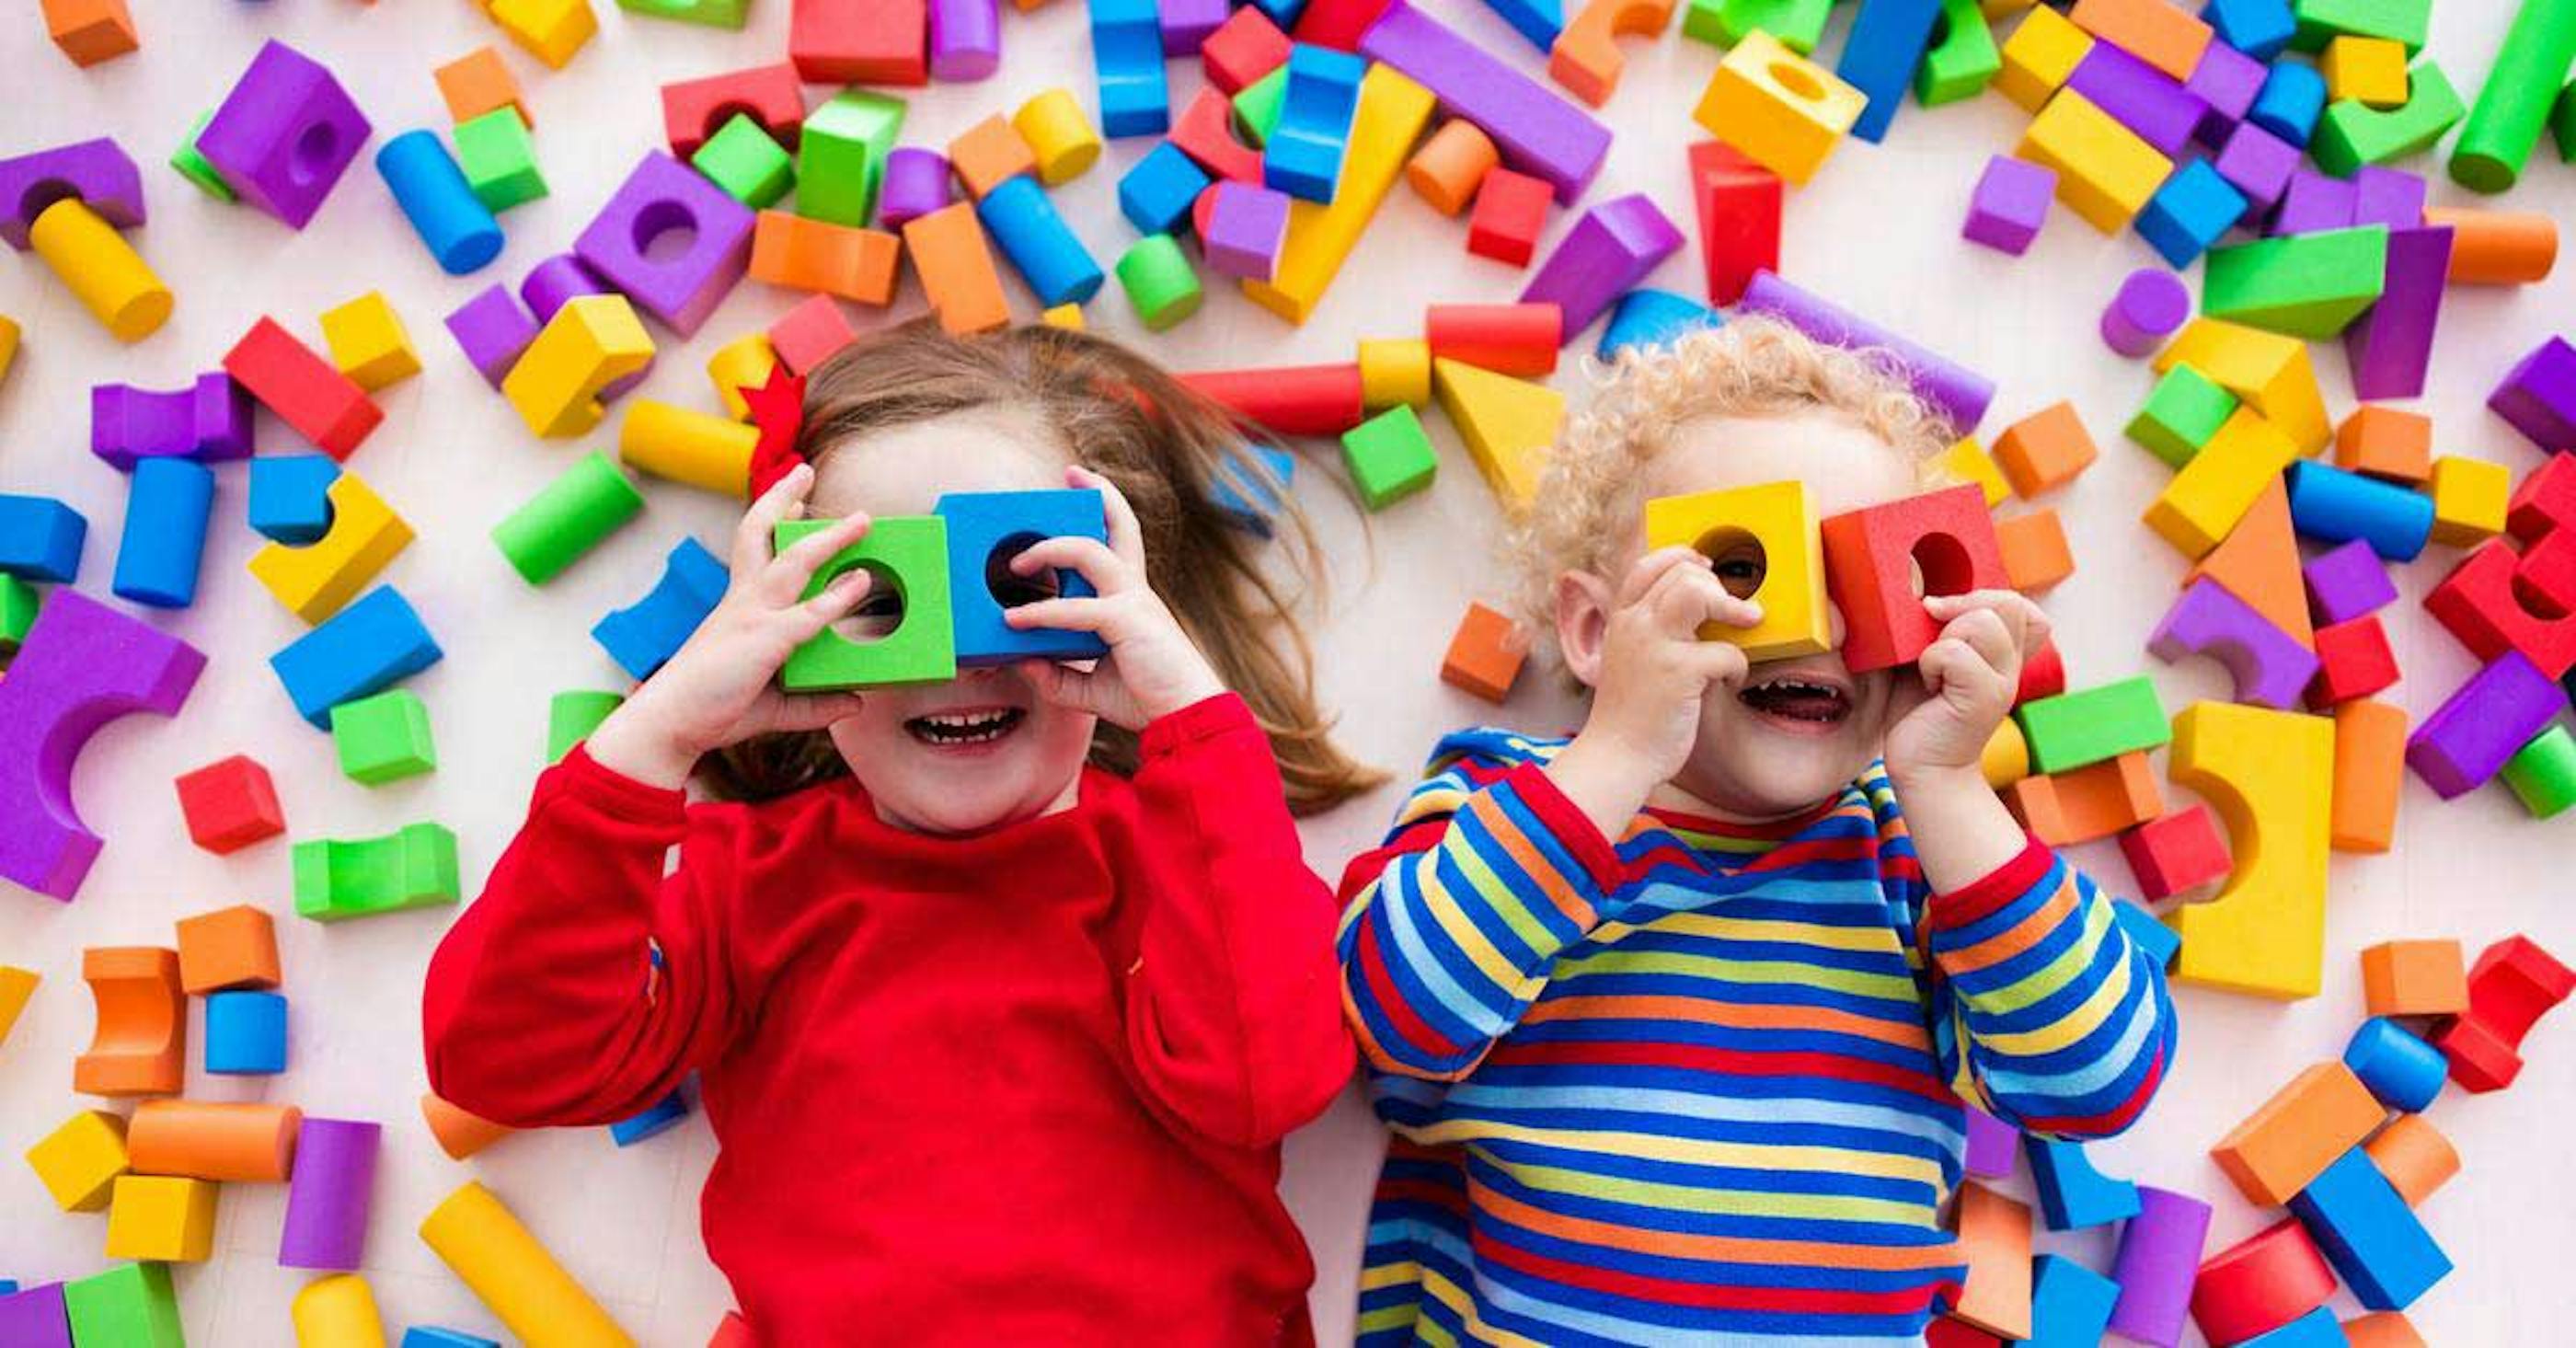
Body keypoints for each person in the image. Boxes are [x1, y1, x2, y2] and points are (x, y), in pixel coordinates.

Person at [424, 320, 1379, 1344]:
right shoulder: (748, 882)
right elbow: (500, 1060)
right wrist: (656, 738)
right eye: (881, 601)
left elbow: (1268, 1084)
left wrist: (1193, 723)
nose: (955, 661)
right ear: (789, 637)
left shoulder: (1188, 855)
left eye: (1014, 590)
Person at [1337, 317, 2176, 1343]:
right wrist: (1616, 752)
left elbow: (2098, 1081)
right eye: (1743, 570)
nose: (1818, 626)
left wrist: (1952, 786)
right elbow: (1393, 1017)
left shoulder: (1919, 861)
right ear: (1596, 631)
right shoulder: (1510, 802)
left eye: (1863, 580)